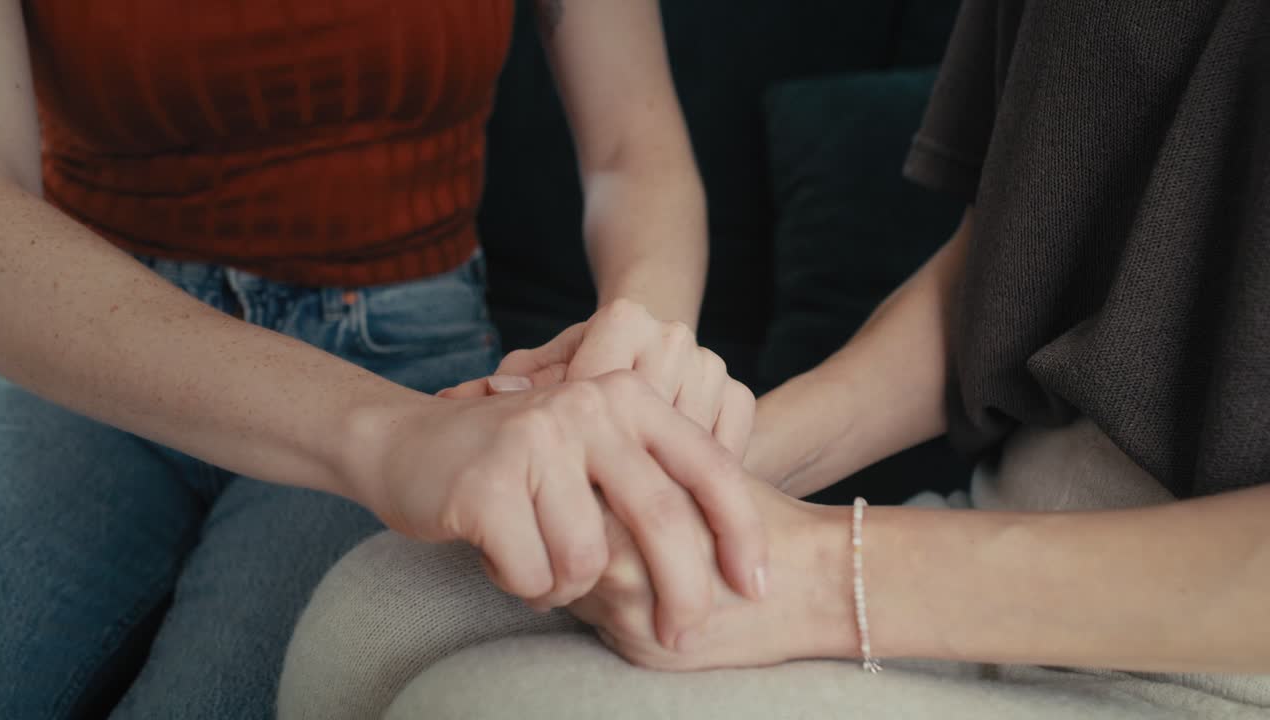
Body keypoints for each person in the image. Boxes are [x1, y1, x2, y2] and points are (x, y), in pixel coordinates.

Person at [278, 0, 1270, 718]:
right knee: (376, 608)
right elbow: (1016, 265)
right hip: (1009, 509)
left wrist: (818, 577)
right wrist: (700, 465)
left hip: (1213, 638)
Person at [0, 1, 769, 718]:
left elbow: (632, 152)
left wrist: (632, 356)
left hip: (408, 352)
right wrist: (388, 438)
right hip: (96, 343)